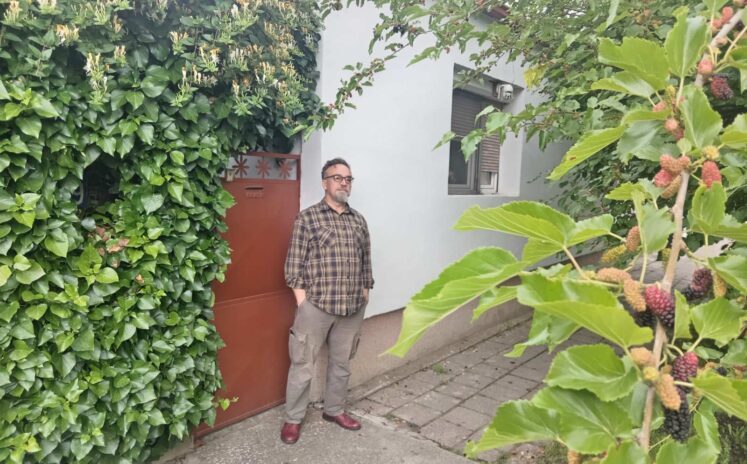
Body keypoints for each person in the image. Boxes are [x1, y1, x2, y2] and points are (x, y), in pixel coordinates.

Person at [280, 158, 374, 444]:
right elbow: (293, 265)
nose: (344, 183)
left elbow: (366, 261)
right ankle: (293, 419)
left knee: (342, 364)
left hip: (352, 307)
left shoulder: (359, 220)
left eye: (348, 178)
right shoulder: (308, 218)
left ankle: (334, 410)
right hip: (316, 307)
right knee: (302, 365)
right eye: (337, 177)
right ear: (325, 183)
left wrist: (365, 291)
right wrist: (303, 303)